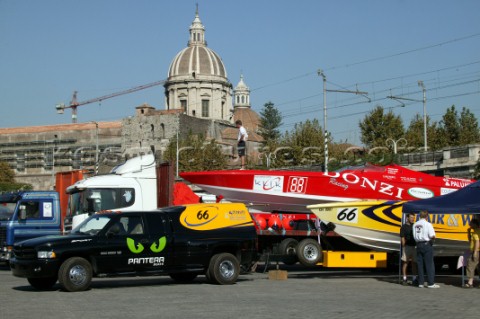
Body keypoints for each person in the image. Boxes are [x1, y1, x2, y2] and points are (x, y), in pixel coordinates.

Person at [413, 210, 439, 288]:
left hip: (418, 244)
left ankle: (421, 282)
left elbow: (414, 235)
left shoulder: (415, 224)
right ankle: (431, 283)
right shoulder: (428, 224)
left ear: (419, 216)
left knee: (420, 264)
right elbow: (432, 235)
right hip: (426, 244)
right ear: (427, 216)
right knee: (429, 264)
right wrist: (433, 239)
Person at [400, 213, 417, 285]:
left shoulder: (415, 225)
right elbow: (402, 237)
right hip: (407, 246)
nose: (412, 219)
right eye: (411, 217)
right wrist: (404, 246)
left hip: (415, 246)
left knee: (414, 263)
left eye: (413, 217)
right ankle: (404, 278)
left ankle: (414, 279)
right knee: (405, 262)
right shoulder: (403, 227)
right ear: (407, 218)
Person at [464, 218, 479, 288]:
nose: (469, 224)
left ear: (475, 224)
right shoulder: (475, 231)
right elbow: (471, 241)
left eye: (471, 223)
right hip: (476, 250)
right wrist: (469, 232)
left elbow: (477, 242)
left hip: (476, 251)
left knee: (470, 265)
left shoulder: (476, 232)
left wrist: (475, 252)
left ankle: (470, 282)